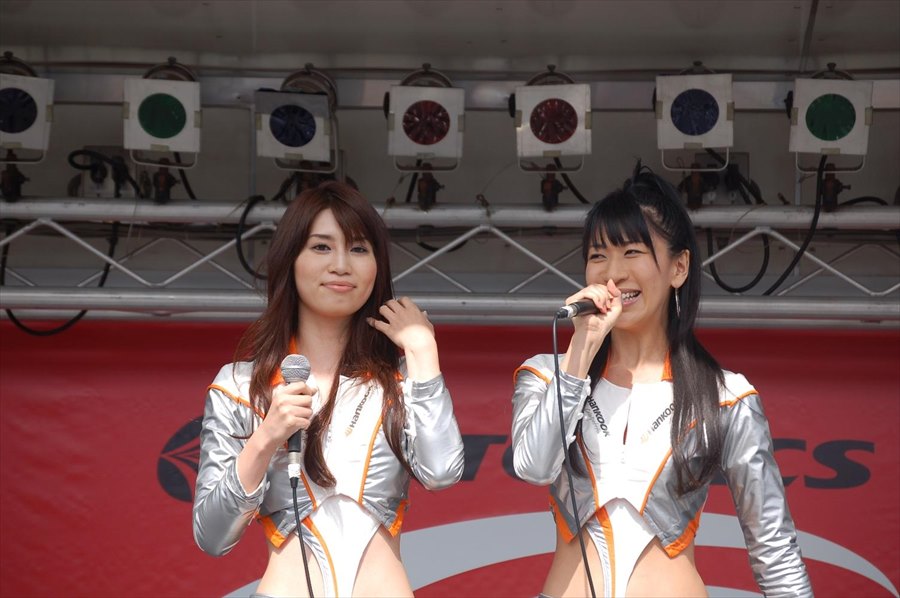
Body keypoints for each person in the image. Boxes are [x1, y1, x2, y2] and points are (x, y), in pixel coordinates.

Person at [511, 163, 812, 597]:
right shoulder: (546, 375)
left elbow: (775, 551)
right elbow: (534, 467)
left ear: (679, 267)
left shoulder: (725, 396)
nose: (613, 273)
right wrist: (580, 352)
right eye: (598, 256)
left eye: (632, 252)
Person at [193, 181, 465, 597]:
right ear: (290, 259)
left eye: (358, 249)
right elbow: (212, 536)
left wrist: (423, 354)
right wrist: (266, 437)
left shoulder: (400, 382)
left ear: (377, 266)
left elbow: (442, 472)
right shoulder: (240, 385)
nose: (341, 265)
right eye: (321, 247)